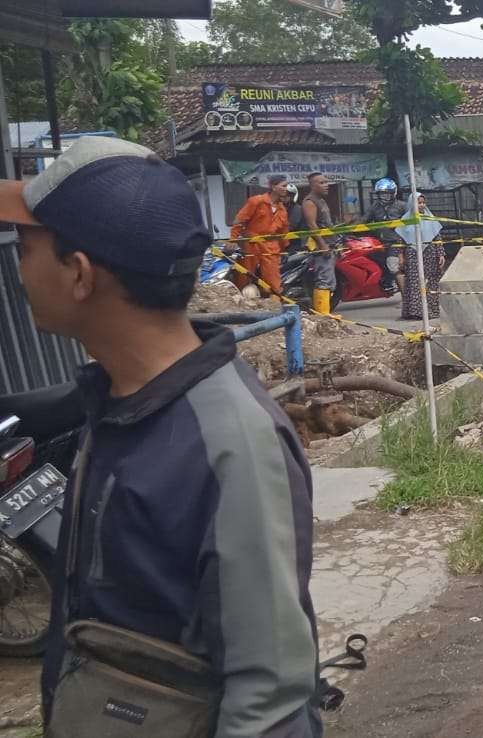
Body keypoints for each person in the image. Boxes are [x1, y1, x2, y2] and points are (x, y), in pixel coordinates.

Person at [0, 137, 320, 735]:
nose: (18, 270)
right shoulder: (117, 400)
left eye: (26, 249)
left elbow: (269, 697)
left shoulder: (230, 443)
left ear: (78, 274)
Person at [229, 174, 291, 293]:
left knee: (273, 281)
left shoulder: (282, 210)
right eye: (283, 185)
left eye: (286, 186)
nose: (286, 188)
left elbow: (284, 232)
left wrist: (284, 248)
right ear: (273, 187)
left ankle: (274, 304)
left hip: (271, 246)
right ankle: (239, 301)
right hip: (251, 243)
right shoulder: (257, 201)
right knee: (244, 276)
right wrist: (233, 239)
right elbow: (239, 221)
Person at [360, 177, 409, 294]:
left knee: (393, 265)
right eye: (382, 194)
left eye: (387, 193)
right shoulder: (375, 206)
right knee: (368, 259)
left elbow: (410, 225)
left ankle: (406, 299)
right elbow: (364, 220)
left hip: (397, 242)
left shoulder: (403, 206)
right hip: (380, 243)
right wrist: (349, 227)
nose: (385, 196)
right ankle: (386, 282)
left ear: (394, 193)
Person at [400, 194, 445, 321]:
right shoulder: (406, 219)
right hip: (412, 255)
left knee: (431, 282)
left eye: (423, 202)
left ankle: (432, 310)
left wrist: (440, 254)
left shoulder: (430, 218)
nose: (422, 205)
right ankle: (416, 311)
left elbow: (437, 237)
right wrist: (400, 256)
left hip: (430, 254)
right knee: (415, 282)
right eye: (418, 203)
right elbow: (400, 240)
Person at [301, 171, 338, 314]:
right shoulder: (310, 201)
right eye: (321, 183)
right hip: (320, 247)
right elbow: (312, 225)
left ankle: (326, 312)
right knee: (323, 280)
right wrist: (323, 245)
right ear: (312, 185)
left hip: (329, 243)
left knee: (329, 280)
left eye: (326, 182)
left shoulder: (321, 200)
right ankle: (323, 315)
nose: (326, 185)